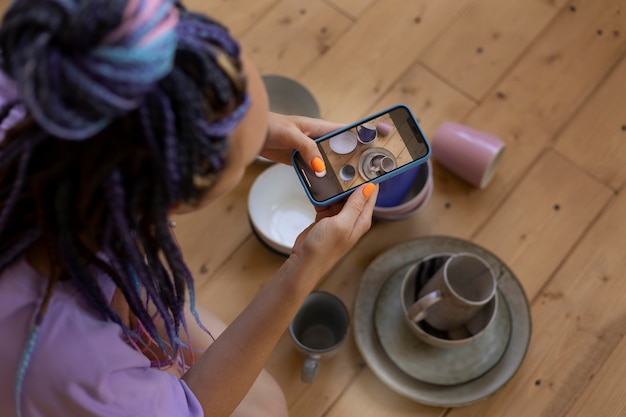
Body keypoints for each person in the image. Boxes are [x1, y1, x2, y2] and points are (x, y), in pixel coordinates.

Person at [0, 1, 378, 416]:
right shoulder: (66, 361)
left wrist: (241, 129)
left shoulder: (37, 65)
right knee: (267, 406)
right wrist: (303, 268)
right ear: (172, 202)